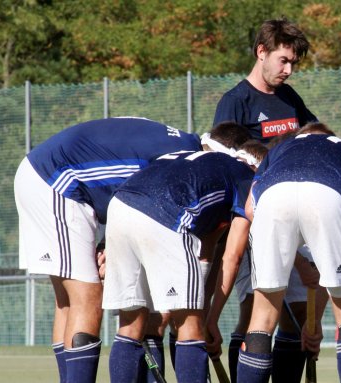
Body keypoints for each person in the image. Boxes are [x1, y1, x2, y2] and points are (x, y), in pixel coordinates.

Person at [13, 117, 201, 383]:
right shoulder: (185, 162)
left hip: (48, 175)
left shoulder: (179, 141)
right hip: (56, 180)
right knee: (88, 298)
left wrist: (109, 245)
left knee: (67, 302)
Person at [101, 133, 264, 382]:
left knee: (131, 324)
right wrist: (209, 320)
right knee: (190, 326)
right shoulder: (247, 178)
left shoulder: (203, 165)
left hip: (121, 207)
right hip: (167, 215)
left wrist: (206, 308)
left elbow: (206, 249)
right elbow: (233, 255)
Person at [213, 17, 319, 382]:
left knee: (300, 313)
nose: (288, 70)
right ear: (262, 52)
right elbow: (225, 165)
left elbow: (314, 137)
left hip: (293, 216)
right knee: (255, 311)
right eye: (283, 61)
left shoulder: (290, 99)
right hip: (253, 219)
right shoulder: (236, 101)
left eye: (293, 63)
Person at [237, 126, 341, 383]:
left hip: (272, 198)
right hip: (329, 193)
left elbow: (250, 210)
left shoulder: (279, 149)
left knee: (262, 316)